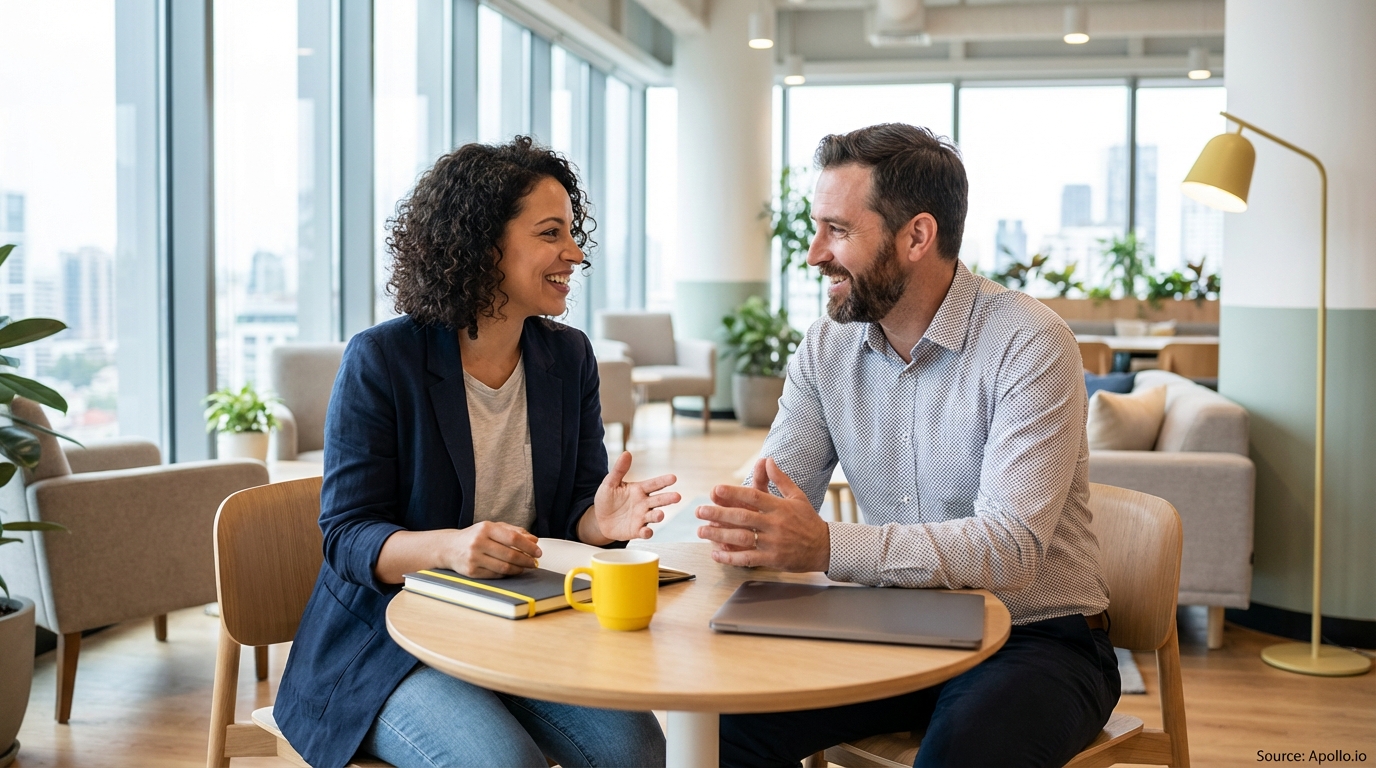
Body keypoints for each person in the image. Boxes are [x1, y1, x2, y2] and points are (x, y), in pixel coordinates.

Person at [696, 123, 1120, 768]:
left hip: (1037, 641)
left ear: (917, 236)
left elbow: (1013, 548)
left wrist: (827, 545)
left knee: (963, 754)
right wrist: (743, 524)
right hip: (892, 628)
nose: (813, 254)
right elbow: (776, 493)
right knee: (711, 732)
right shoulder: (826, 348)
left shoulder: (1029, 342)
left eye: (838, 231)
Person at [275, 137, 675, 768]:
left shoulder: (567, 358)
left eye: (573, 232)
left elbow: (572, 511)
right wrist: (450, 548)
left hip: (517, 625)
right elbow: (346, 536)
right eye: (551, 233)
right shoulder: (383, 360)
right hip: (388, 642)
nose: (574, 253)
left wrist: (599, 522)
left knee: (637, 747)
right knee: (500, 763)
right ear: (483, 246)